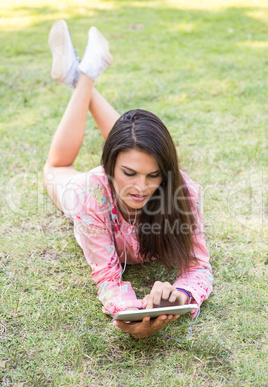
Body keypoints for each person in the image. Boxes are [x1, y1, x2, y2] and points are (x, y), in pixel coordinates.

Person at [44, 20, 213, 339]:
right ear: (108, 167)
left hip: (123, 170)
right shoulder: (88, 193)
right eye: (128, 174)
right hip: (86, 193)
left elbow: (197, 266)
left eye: (153, 175)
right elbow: (107, 276)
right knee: (56, 166)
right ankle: (85, 75)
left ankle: (82, 75)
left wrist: (182, 296)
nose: (141, 187)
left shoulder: (184, 192)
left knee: (135, 143)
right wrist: (129, 311)